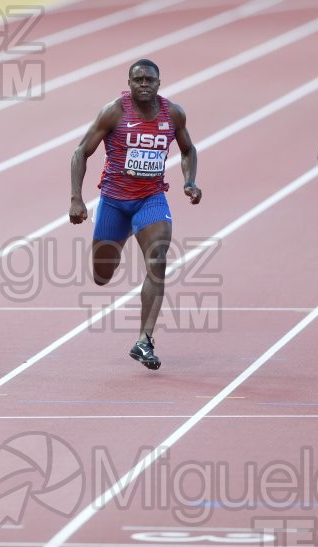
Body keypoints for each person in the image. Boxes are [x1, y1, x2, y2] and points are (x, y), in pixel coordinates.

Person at [69, 59, 202, 370]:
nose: (144, 84)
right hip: (114, 202)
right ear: (129, 83)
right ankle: (120, 232)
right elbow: (80, 152)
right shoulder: (114, 111)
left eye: (150, 80)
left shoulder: (173, 114)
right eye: (138, 79)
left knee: (157, 260)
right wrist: (77, 199)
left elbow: (188, 149)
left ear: (159, 83)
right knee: (102, 277)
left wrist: (190, 180)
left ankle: (144, 340)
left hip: (151, 199)